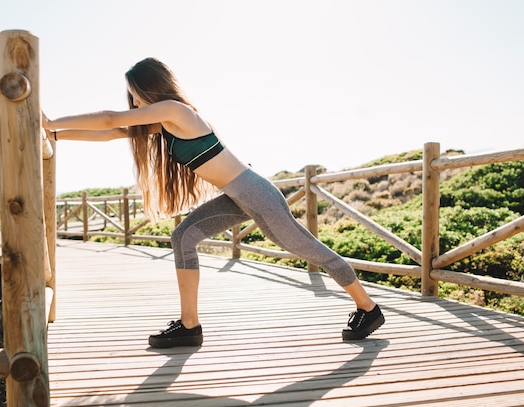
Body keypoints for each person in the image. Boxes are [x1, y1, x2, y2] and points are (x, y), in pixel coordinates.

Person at [43, 57, 385, 348]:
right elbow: (113, 131)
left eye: (134, 96)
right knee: (183, 237)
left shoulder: (175, 110)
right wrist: (56, 134)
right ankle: (189, 326)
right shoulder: (163, 123)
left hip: (255, 193)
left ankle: (368, 308)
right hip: (238, 195)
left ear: (150, 88)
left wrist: (51, 122)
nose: (133, 105)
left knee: (310, 250)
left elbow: (109, 119)